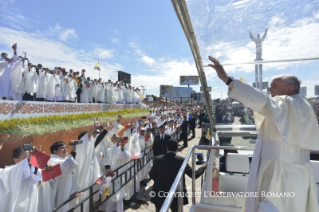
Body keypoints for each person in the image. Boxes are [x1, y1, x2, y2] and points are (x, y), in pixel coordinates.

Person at [208, 56, 319, 212]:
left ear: (289, 89)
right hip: (299, 173)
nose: (270, 89)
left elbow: (261, 100)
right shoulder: (304, 105)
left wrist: (228, 80)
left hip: (280, 173)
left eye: (274, 86)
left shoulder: (287, 103)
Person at [150, 139, 206, 212]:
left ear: (166, 148)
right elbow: (194, 175)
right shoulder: (181, 160)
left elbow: (151, 175)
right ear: (177, 149)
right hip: (176, 194)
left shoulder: (158, 159)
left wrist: (160, 181)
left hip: (159, 193)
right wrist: (203, 167)